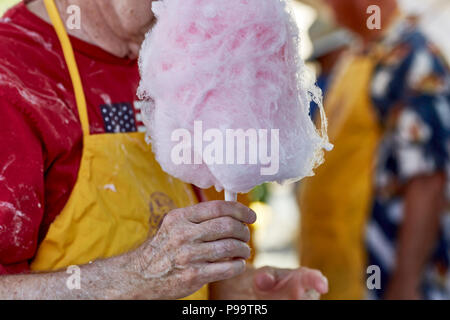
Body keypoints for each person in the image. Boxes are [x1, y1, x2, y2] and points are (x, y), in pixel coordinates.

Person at [0, 0, 328, 299]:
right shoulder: (14, 77)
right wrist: (132, 277)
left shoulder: (177, 60)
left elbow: (183, 276)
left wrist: (239, 294)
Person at [298, 0, 450, 299]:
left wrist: (406, 284)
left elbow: (427, 181)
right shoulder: (357, 57)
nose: (328, 8)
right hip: (337, 276)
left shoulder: (412, 57)